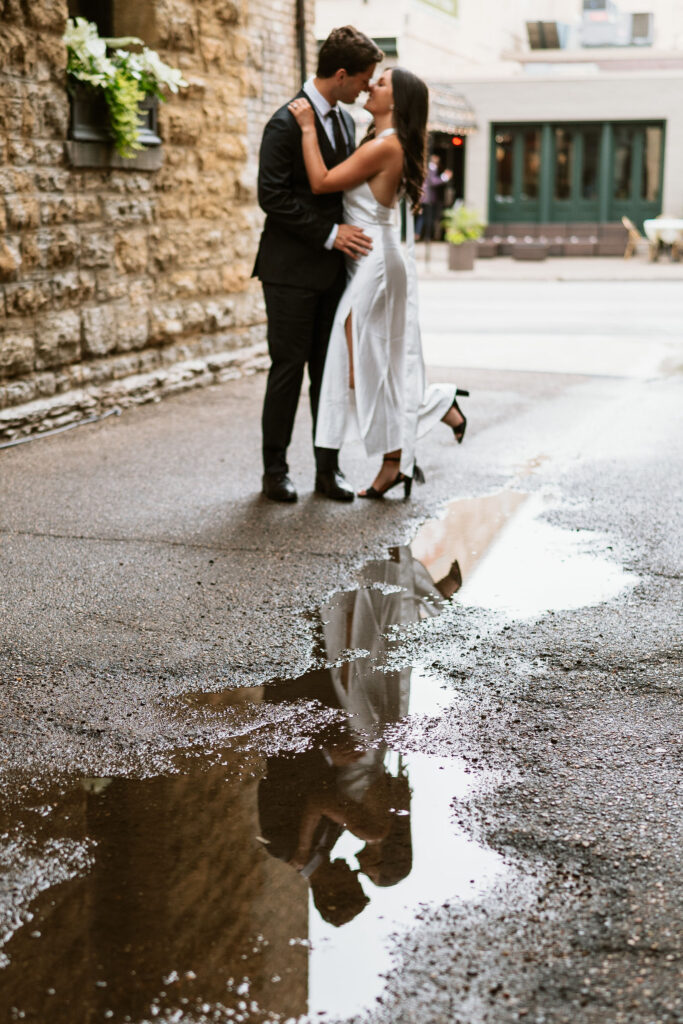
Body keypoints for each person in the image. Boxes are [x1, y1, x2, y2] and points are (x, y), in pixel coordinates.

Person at [288, 68, 469, 499]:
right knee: (377, 366)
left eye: (382, 83)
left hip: (376, 264)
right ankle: (397, 458)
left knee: (359, 369)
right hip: (375, 258)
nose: (371, 86)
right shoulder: (379, 141)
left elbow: (322, 182)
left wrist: (308, 128)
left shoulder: (386, 147)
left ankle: (433, 410)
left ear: (398, 103)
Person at [253, 27, 383, 504]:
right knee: (288, 369)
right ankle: (275, 472)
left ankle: (327, 471)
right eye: (364, 80)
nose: (366, 89)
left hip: (333, 273)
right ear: (342, 75)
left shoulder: (345, 123)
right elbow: (273, 197)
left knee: (327, 373)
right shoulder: (285, 122)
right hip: (288, 271)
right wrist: (330, 234)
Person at [417, 153, 452, 241]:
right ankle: (426, 235)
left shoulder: (429, 167)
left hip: (425, 197)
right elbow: (432, 181)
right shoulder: (431, 168)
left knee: (423, 217)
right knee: (428, 217)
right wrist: (445, 177)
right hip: (427, 198)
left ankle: (419, 234)